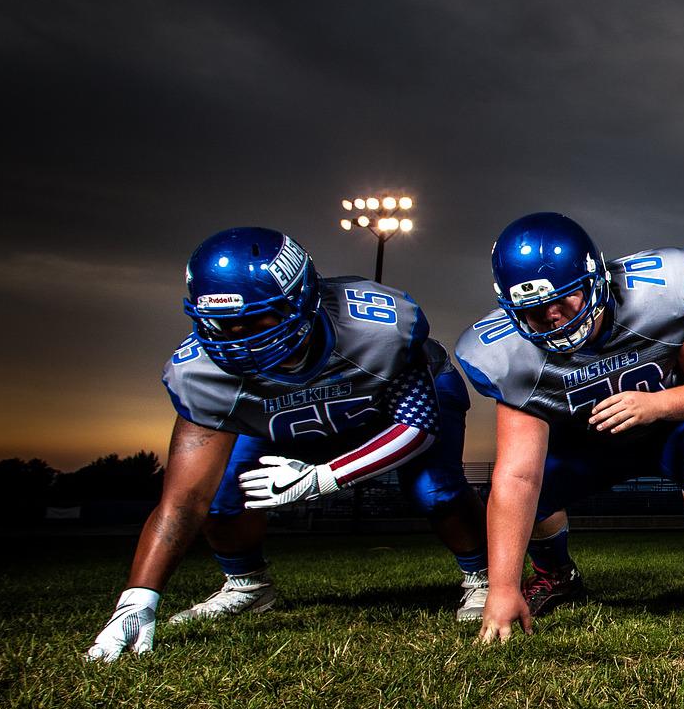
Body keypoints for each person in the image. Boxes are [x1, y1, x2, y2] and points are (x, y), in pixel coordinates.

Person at [86, 228, 488, 660]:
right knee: (222, 493)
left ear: (303, 298)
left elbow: (418, 428)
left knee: (434, 487)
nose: (241, 337)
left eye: (259, 319)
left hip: (387, 407)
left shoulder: (379, 328)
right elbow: (184, 501)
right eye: (224, 324)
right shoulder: (199, 374)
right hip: (282, 423)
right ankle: (247, 584)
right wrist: (138, 599)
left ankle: (482, 576)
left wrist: (324, 478)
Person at [454, 211, 684, 643]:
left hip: (666, 428)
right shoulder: (506, 355)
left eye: (565, 298)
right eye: (534, 311)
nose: (554, 316)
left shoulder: (660, 294)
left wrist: (659, 404)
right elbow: (518, 474)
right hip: (582, 445)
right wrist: (501, 588)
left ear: (595, 280)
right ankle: (555, 574)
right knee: (523, 486)